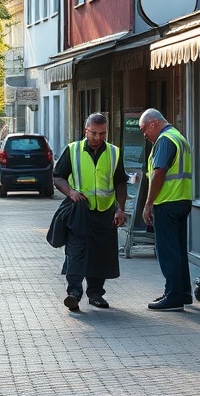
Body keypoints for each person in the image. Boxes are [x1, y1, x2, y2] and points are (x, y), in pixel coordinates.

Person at [52, 112, 127, 312]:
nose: (98, 138)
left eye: (102, 133)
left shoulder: (114, 153)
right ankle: (74, 294)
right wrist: (70, 192)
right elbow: (58, 177)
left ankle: (96, 294)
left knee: (100, 255)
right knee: (76, 252)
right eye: (94, 133)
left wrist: (120, 209)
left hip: (105, 213)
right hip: (80, 212)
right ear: (86, 131)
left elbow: (120, 182)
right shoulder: (73, 150)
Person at [139, 108, 193, 311]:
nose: (145, 135)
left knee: (168, 252)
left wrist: (148, 203)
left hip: (167, 203)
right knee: (178, 251)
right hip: (182, 200)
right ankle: (183, 293)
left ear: (153, 123)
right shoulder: (179, 137)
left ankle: (173, 297)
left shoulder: (165, 140)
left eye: (144, 129)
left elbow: (158, 172)